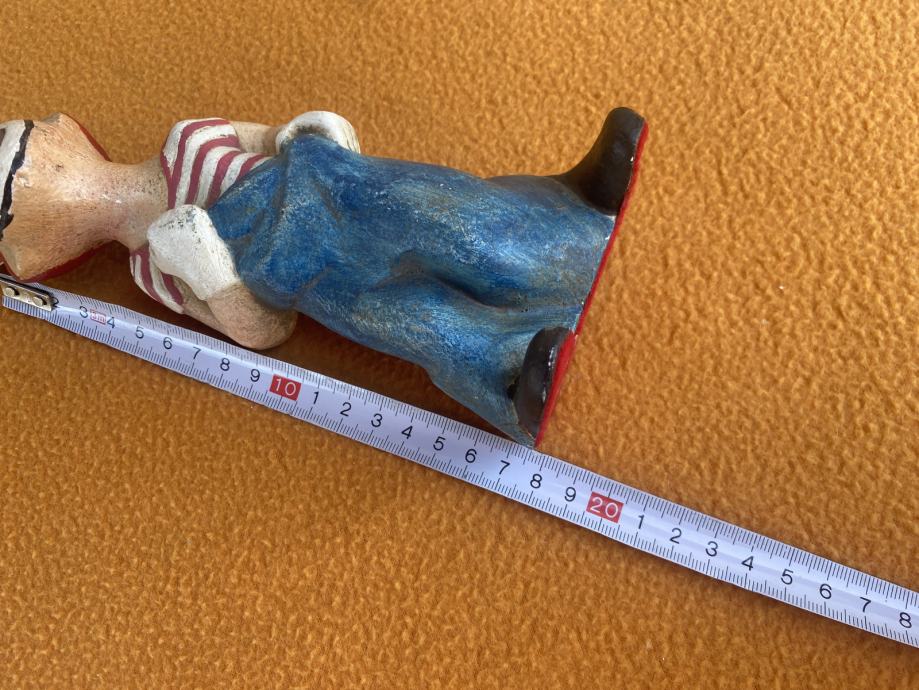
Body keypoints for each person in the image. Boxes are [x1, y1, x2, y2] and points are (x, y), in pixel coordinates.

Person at [0, 107, 646, 446]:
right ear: (38, 249)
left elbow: (268, 139)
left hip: (333, 179)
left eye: (22, 144)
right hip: (308, 273)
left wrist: (304, 129)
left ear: (62, 132)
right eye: (16, 185)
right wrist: (209, 270)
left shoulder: (188, 137)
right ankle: (505, 370)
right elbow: (262, 332)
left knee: (443, 211)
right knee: (411, 315)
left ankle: (569, 211)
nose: (40, 164)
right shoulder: (151, 268)